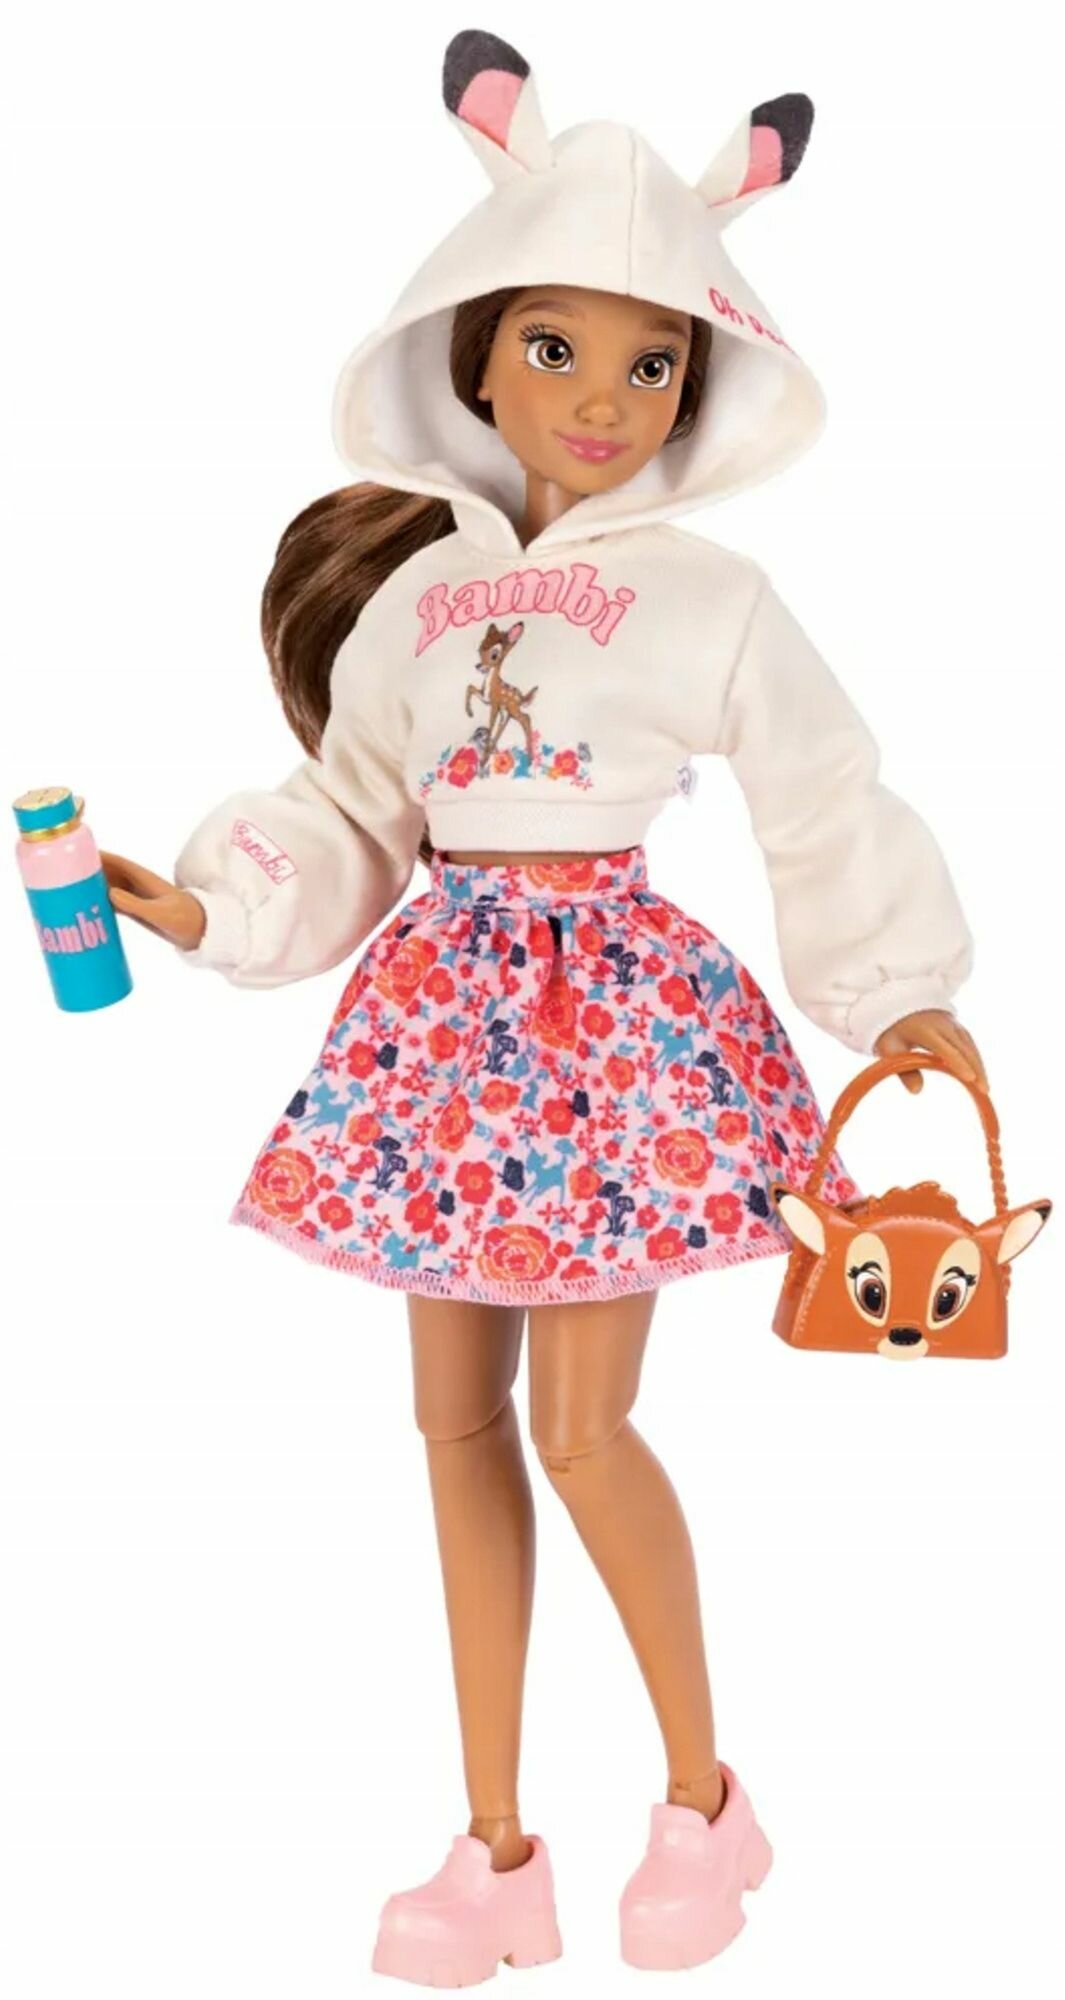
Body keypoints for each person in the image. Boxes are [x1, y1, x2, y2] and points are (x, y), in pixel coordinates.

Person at [101, 27, 988, 1983]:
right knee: (449, 1426)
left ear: (697, 382)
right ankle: (495, 1848)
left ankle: (701, 1800)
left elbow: (819, 786)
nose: (600, 398)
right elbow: (349, 810)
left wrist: (894, 992)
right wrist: (208, 899)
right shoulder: (411, 604)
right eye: (559, 349)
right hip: (444, 1034)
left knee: (584, 1432)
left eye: (649, 364)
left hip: (614, 1038)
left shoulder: (704, 595)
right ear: (476, 358)